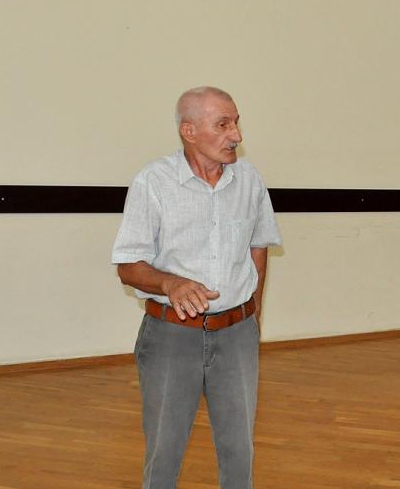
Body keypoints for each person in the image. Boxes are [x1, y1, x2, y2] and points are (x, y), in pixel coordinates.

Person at [112, 86, 281, 488]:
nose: (236, 134)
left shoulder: (250, 180)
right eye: (223, 125)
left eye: (236, 122)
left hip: (237, 334)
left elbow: (258, 246)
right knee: (164, 451)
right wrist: (169, 282)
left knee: (239, 452)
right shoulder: (154, 182)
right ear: (188, 131)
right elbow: (127, 265)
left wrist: (252, 315)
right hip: (171, 335)